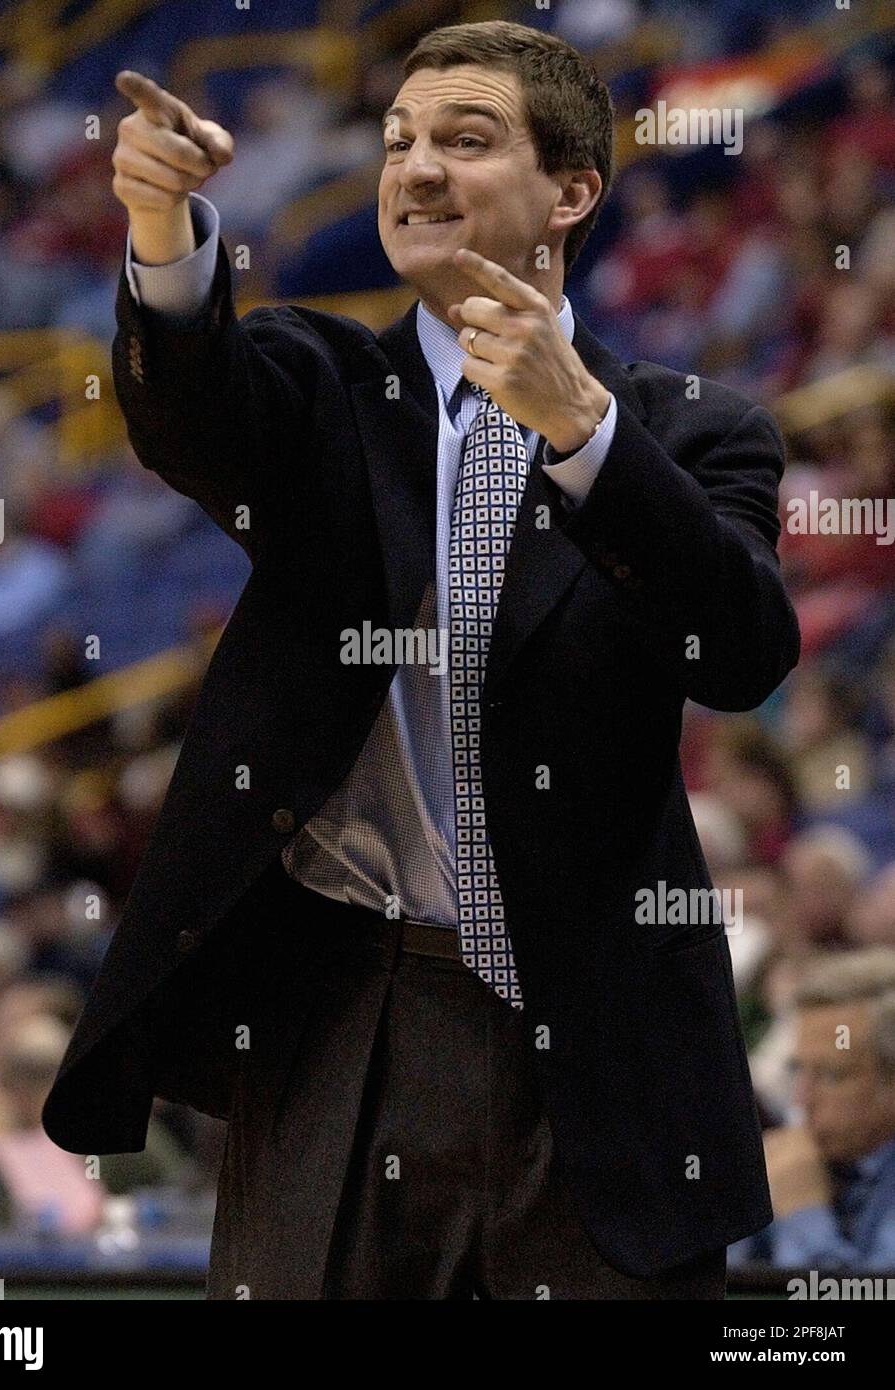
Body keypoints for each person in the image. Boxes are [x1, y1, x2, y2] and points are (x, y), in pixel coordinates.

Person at [42, 19, 801, 1299]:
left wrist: (588, 442)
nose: (415, 169)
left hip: (596, 1042)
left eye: (465, 138)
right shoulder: (323, 383)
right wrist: (164, 233)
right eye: (398, 142)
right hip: (342, 1015)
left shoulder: (692, 432)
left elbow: (737, 651)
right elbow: (195, 414)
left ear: (571, 192)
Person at [731, 950, 895, 1270]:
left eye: (832, 1075)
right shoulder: (800, 1161)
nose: (801, 1101)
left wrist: (802, 1213)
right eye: (798, 1071)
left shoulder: (801, 1183)